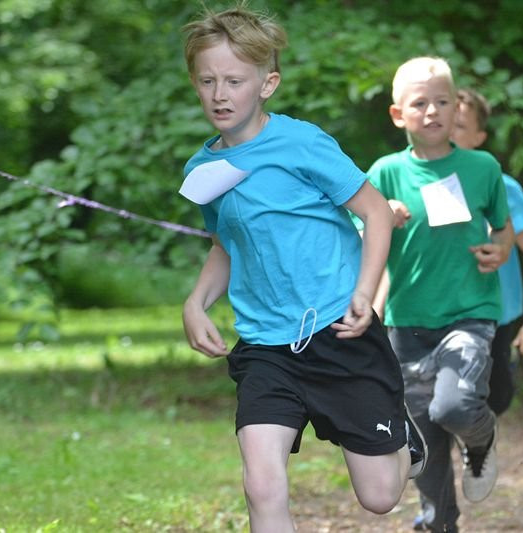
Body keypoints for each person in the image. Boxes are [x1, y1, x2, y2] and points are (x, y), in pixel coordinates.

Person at [178, 6, 425, 532]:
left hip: (339, 328)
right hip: (266, 345)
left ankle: (406, 437)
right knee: (261, 484)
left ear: (267, 84)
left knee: (380, 497)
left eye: (235, 81)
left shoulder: (302, 143)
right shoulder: (203, 170)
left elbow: (375, 212)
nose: (220, 94)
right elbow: (226, 243)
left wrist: (365, 293)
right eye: (208, 81)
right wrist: (196, 302)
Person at [364, 56, 515, 533]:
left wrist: (501, 250)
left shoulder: (482, 166)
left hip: (471, 309)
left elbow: (504, 227)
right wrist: (383, 212)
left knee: (453, 406)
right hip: (407, 316)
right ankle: (438, 521)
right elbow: (361, 227)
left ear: (457, 109)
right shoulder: (386, 172)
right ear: (398, 114)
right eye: (420, 103)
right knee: (423, 436)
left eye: (443, 102)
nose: (432, 112)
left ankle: (481, 438)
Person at [452, 87, 523, 415]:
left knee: (494, 398)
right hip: (437, 310)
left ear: (479, 137)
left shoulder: (502, 186)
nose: (447, 129)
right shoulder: (414, 181)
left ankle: (479, 450)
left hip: (495, 313)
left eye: (460, 126)